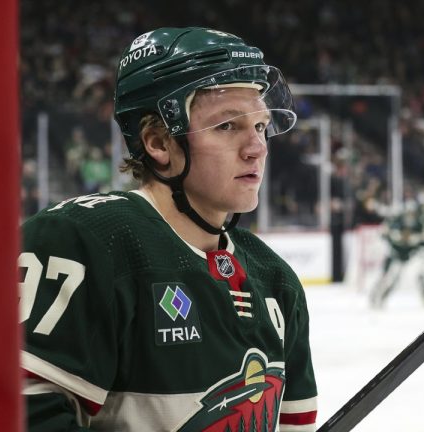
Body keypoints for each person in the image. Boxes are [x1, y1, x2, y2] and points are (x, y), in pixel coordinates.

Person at [18, 27, 318, 431]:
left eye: (261, 126)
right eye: (228, 126)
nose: (257, 147)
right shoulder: (82, 241)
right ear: (159, 142)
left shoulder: (275, 280)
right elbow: (16, 416)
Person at [369, 202, 424, 308]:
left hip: (412, 253)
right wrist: (396, 237)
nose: (410, 215)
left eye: (412, 213)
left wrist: (416, 239)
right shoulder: (395, 221)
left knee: (421, 274)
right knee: (389, 278)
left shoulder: (420, 222)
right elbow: (383, 233)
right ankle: (377, 297)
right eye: (408, 213)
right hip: (396, 253)